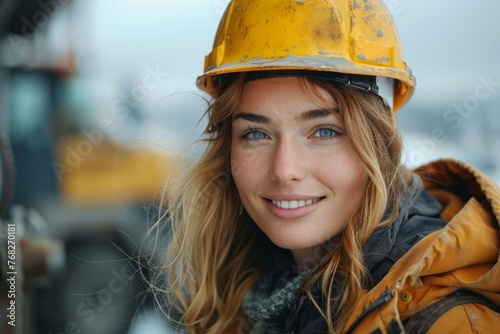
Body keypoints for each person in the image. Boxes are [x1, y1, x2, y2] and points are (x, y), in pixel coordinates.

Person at [147, 0, 500, 333]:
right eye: (256, 133)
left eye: (325, 131)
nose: (284, 170)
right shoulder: (247, 292)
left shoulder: (452, 322)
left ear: (381, 145)